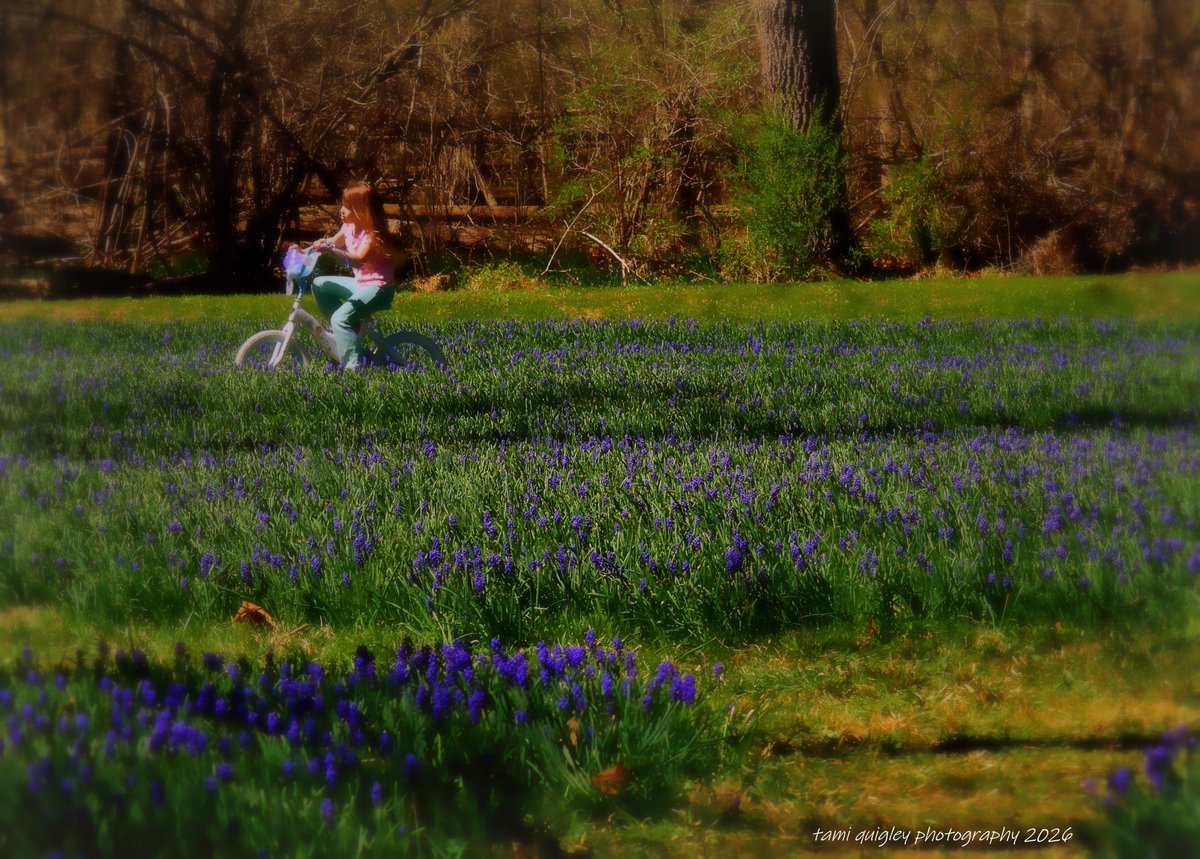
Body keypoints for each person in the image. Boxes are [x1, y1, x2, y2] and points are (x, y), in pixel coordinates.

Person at [309, 183, 398, 370]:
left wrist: (333, 250)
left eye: (347, 207)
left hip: (379, 288)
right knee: (319, 285)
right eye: (342, 205)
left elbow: (358, 260)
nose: (341, 210)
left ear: (361, 210)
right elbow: (333, 242)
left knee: (340, 318)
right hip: (361, 284)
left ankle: (353, 369)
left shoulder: (371, 236)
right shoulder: (348, 227)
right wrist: (305, 250)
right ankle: (349, 329)